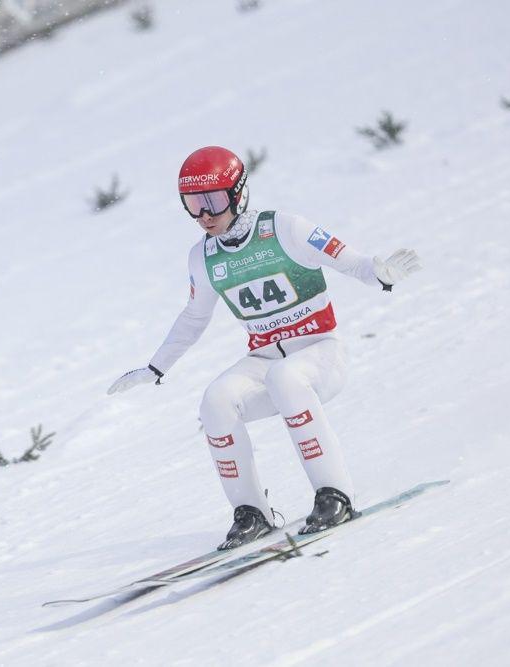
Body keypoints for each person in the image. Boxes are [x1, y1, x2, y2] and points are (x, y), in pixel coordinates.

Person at [107, 146, 421, 550]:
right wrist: (155, 367)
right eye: (193, 205)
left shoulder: (285, 229)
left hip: (319, 352)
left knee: (286, 377)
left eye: (213, 201)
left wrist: (380, 274)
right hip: (265, 359)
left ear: (238, 193)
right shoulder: (203, 257)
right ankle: (251, 513)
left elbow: (349, 260)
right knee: (216, 401)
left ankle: (335, 495)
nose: (204, 215)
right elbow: (194, 317)